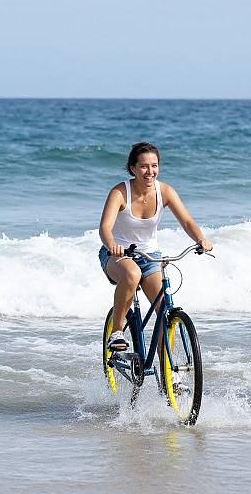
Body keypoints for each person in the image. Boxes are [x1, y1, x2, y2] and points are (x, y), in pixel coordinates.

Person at [99, 142, 212, 351]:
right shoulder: (120, 192)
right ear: (133, 168)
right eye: (143, 166)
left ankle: (170, 379)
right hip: (117, 254)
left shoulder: (165, 191)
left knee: (165, 315)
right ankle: (116, 332)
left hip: (150, 257)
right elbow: (105, 228)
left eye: (154, 165)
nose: (150, 171)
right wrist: (113, 245)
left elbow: (187, 221)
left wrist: (200, 239)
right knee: (132, 273)